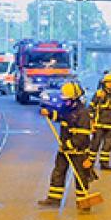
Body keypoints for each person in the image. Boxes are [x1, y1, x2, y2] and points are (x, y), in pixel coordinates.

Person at [37, 82, 97, 211]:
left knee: (81, 176)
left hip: (78, 152)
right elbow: (60, 116)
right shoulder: (67, 108)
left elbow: (82, 137)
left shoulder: (83, 114)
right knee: (58, 172)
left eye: (67, 100)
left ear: (75, 99)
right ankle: (54, 199)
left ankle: (83, 203)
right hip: (64, 149)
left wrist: (68, 145)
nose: (65, 102)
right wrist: (49, 113)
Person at [89, 73, 111, 171]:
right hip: (99, 123)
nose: (109, 84)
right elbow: (91, 107)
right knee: (95, 144)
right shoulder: (99, 94)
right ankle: (90, 163)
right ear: (104, 83)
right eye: (107, 82)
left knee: (108, 145)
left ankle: (104, 163)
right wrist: (91, 121)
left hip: (110, 124)